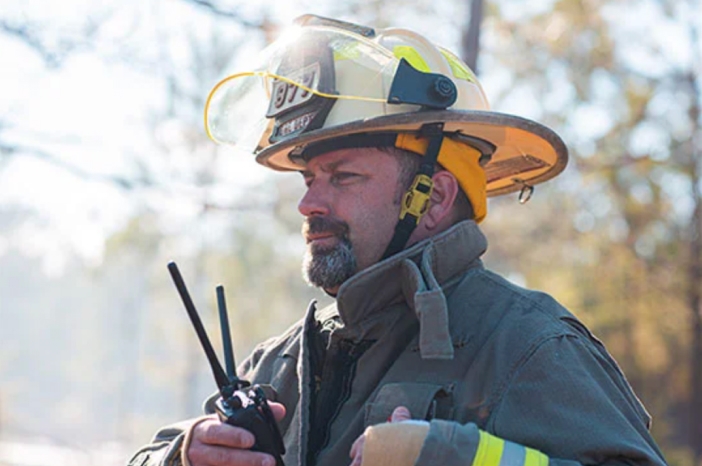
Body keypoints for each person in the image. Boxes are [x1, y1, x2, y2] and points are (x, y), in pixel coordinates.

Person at [128, 14, 666, 466]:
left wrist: (462, 458)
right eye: (308, 179)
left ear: (432, 198)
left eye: (343, 177)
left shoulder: (528, 347)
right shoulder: (280, 363)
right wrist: (186, 454)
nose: (308, 204)